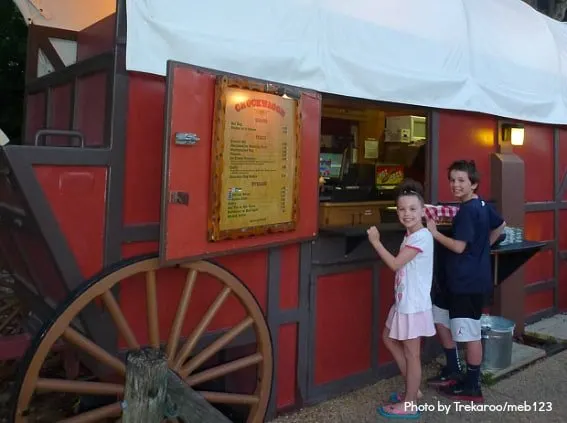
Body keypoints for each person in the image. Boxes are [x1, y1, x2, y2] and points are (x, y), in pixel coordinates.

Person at [426, 160, 506, 402]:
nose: (455, 185)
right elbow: (500, 226)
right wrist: (483, 249)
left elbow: (459, 247)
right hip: (460, 280)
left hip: (466, 283)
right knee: (440, 317)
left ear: (474, 183)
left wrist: (434, 232)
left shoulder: (468, 211)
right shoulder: (482, 205)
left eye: (461, 180)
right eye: (452, 180)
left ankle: (472, 386)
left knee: (469, 333)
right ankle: (453, 369)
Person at [367, 179, 435, 419]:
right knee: (388, 338)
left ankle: (409, 402)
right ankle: (412, 390)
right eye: (402, 209)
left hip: (412, 306)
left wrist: (376, 242)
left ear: (423, 211)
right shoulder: (412, 234)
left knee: (412, 354)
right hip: (404, 302)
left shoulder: (421, 237)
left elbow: (396, 264)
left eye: (412, 209)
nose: (407, 214)